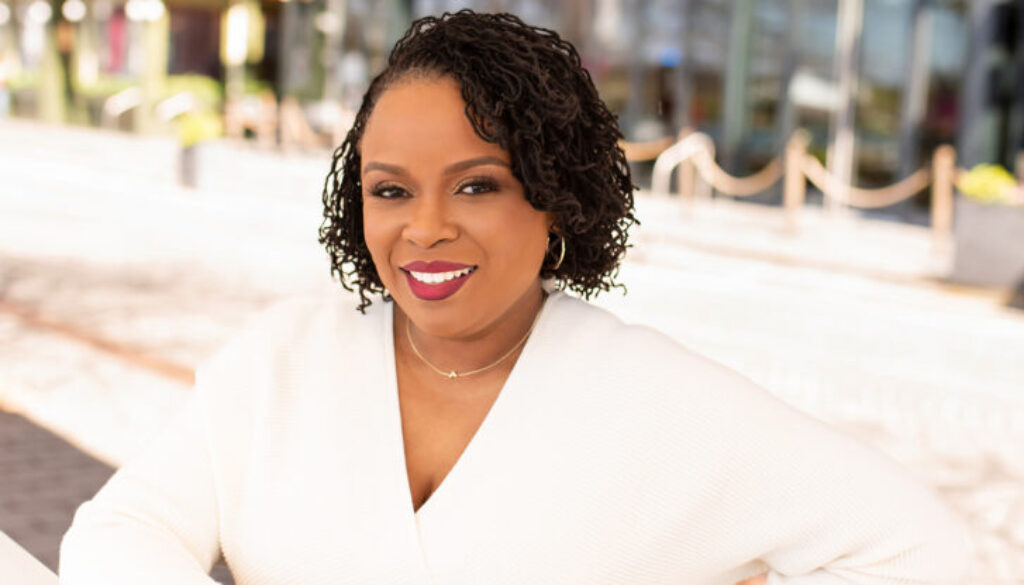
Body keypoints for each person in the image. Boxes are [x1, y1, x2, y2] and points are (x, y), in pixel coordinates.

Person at [60, 11, 969, 585]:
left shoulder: (660, 400)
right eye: (390, 189)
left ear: (555, 194)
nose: (424, 229)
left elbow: (921, 555)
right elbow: (122, 528)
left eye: (477, 185)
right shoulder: (281, 359)